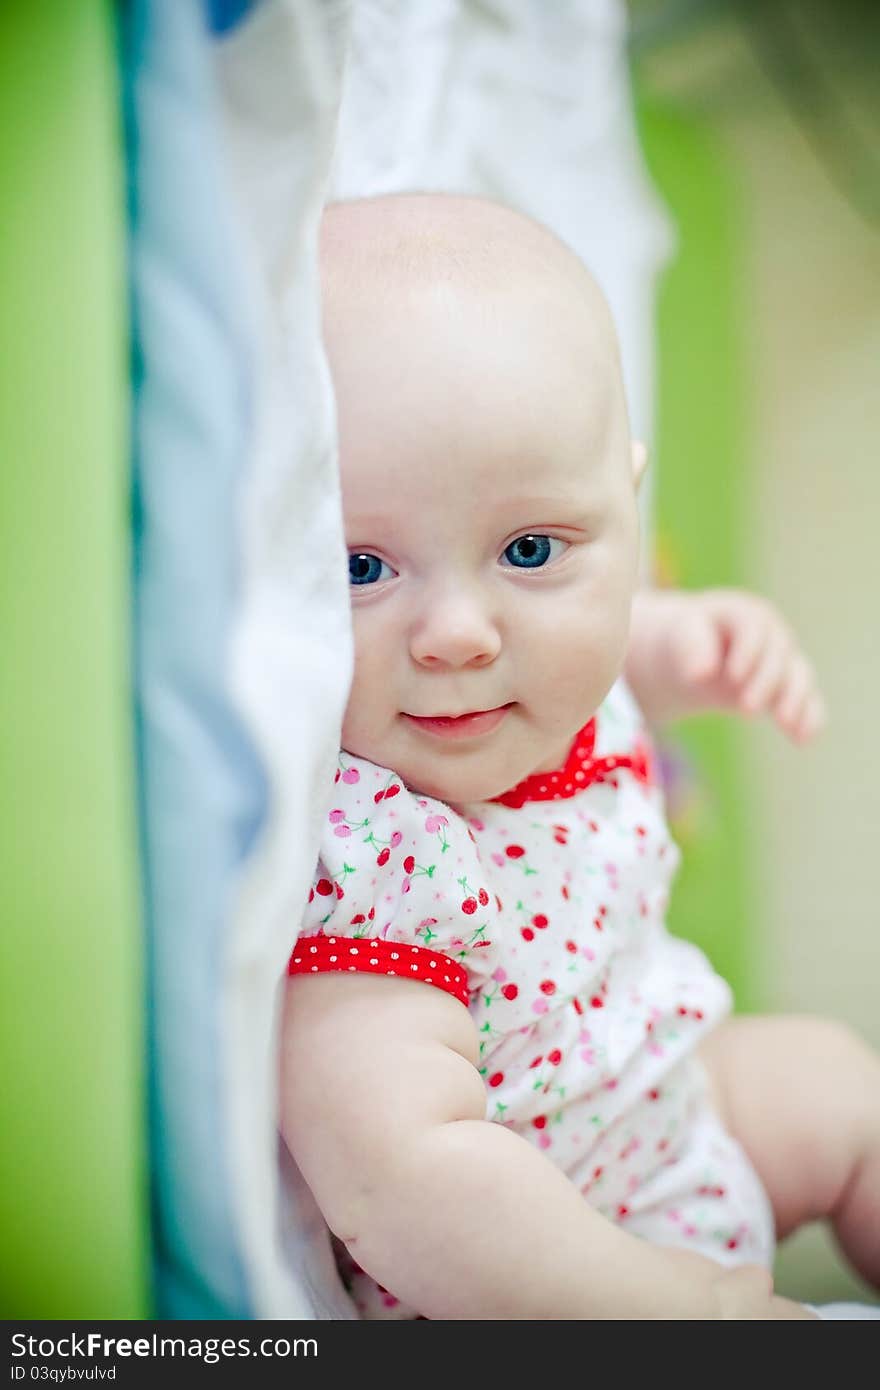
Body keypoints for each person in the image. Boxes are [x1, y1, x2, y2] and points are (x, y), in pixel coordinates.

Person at [279, 193, 880, 1319]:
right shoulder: (372, 859)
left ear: (626, 504)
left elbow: (605, 649)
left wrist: (688, 640)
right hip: (558, 1270)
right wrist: (675, 1312)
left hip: (677, 1113)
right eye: (361, 567)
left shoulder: (557, 675)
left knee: (839, 1082)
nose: (458, 633)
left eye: (526, 547)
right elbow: (404, 1179)